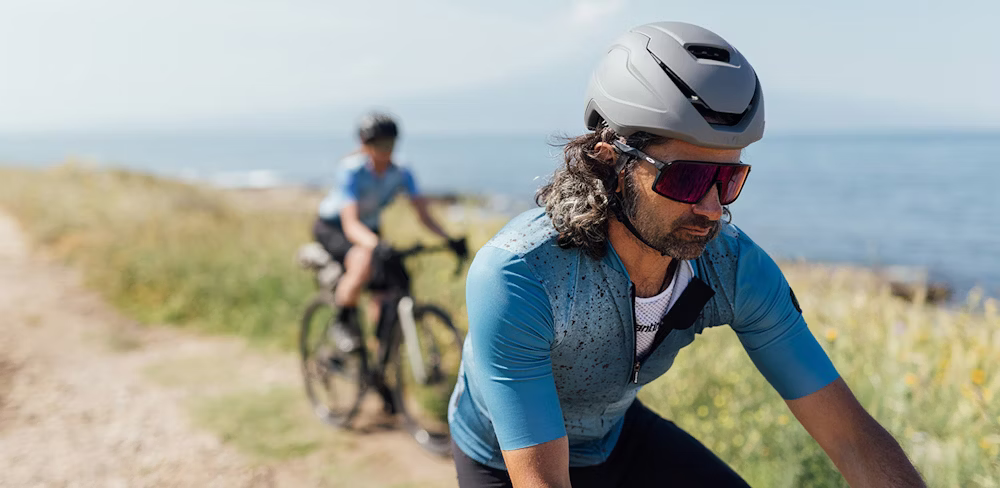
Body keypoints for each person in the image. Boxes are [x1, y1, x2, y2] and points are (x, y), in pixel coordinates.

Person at [447, 22, 924, 487]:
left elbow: (851, 438)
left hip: (614, 438)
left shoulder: (733, 267)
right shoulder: (521, 275)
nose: (713, 209)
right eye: (688, 178)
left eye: (728, 180)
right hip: (500, 456)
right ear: (610, 162)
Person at [313, 112, 467, 348]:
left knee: (390, 286)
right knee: (362, 261)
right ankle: (341, 322)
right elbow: (350, 224)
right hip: (334, 227)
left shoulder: (401, 172)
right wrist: (375, 245)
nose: (385, 150)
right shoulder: (351, 170)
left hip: (370, 230)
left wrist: (449, 239)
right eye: (378, 145)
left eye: (390, 144)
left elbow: (423, 214)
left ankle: (380, 352)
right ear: (365, 145)